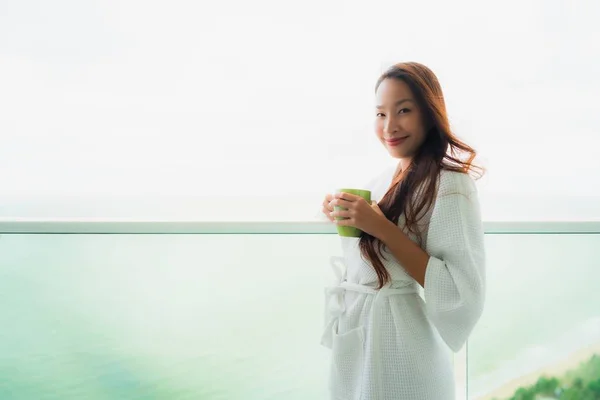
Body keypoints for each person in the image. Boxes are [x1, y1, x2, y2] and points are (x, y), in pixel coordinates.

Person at [320, 62, 486, 400]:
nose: (389, 126)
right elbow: (364, 257)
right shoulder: (383, 181)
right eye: (380, 114)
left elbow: (460, 289)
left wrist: (379, 226)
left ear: (429, 113)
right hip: (361, 338)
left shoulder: (451, 185)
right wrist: (340, 211)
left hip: (403, 348)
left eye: (404, 110)